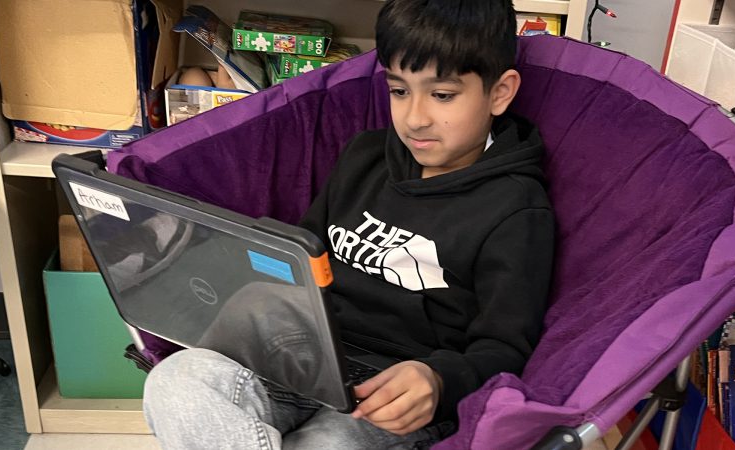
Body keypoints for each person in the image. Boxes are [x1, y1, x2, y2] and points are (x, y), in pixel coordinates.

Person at [142, 0, 555, 448]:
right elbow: (303, 259)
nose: (415, 118)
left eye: (442, 95)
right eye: (399, 90)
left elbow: (506, 348)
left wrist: (438, 379)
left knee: (327, 446)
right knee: (175, 381)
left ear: (500, 92)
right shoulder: (364, 156)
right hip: (303, 355)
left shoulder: (517, 210)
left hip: (395, 391)